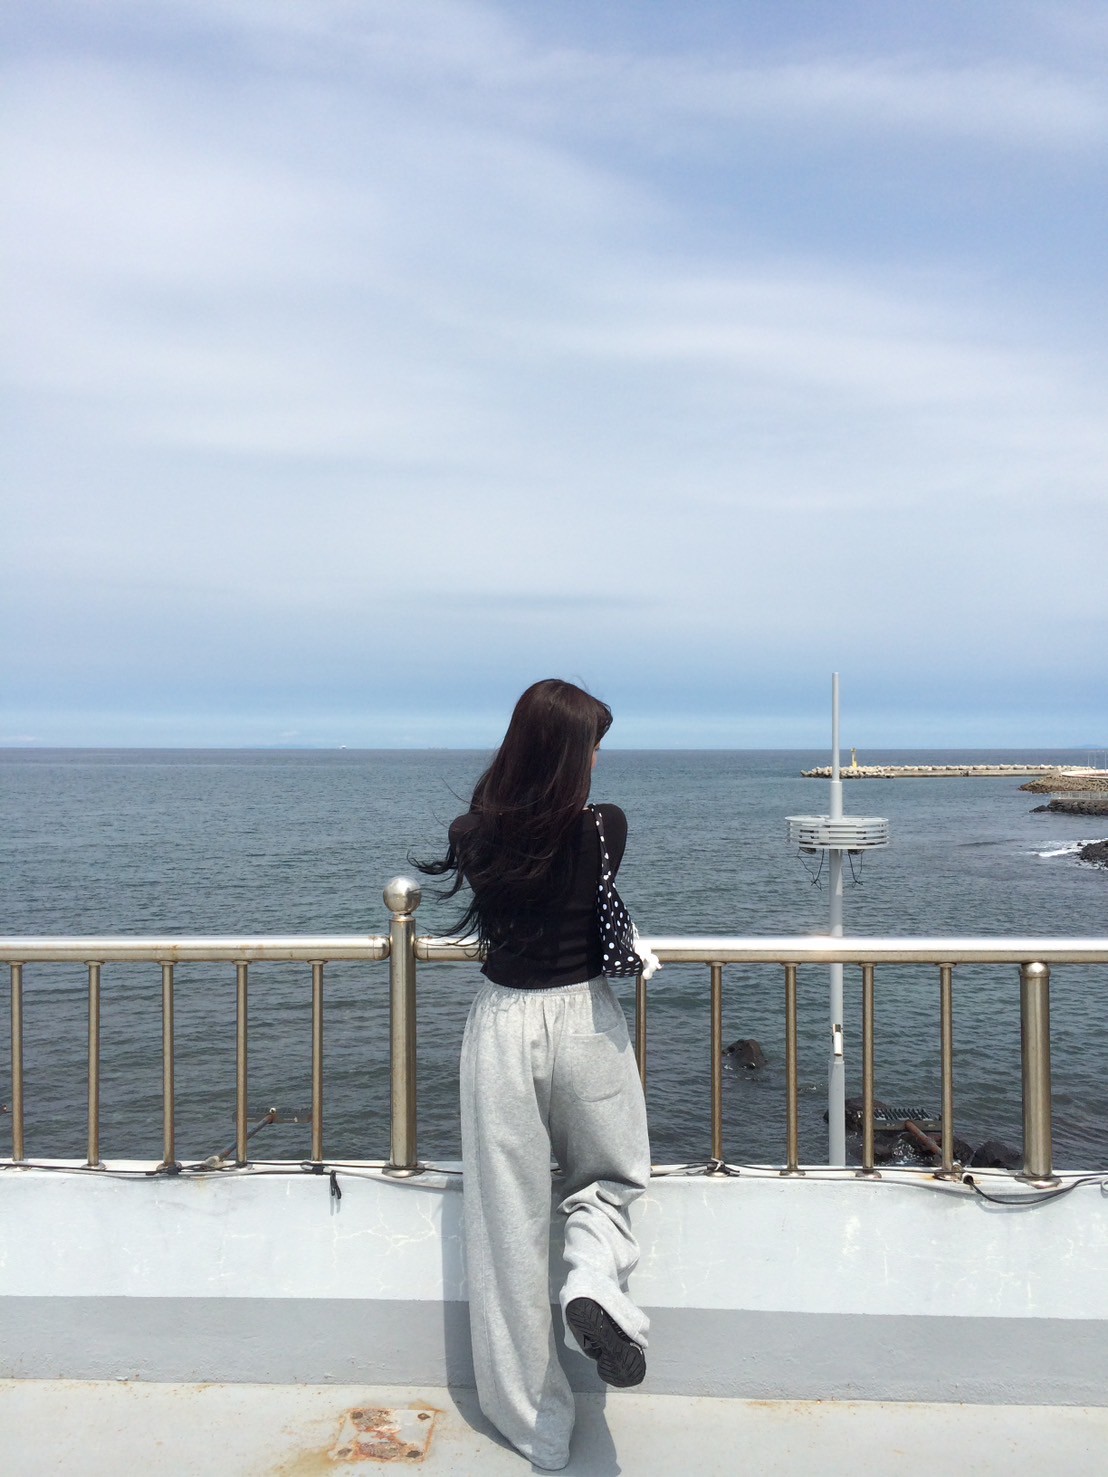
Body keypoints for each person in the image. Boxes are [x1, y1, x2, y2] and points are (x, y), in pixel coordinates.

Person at [419, 678, 651, 1470]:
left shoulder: (470, 834)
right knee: (609, 1176)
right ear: (568, 752)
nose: (597, 759)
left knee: (506, 1222)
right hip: (584, 1018)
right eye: (592, 745)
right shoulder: (606, 826)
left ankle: (535, 1425)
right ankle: (592, 1282)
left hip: (502, 1024)